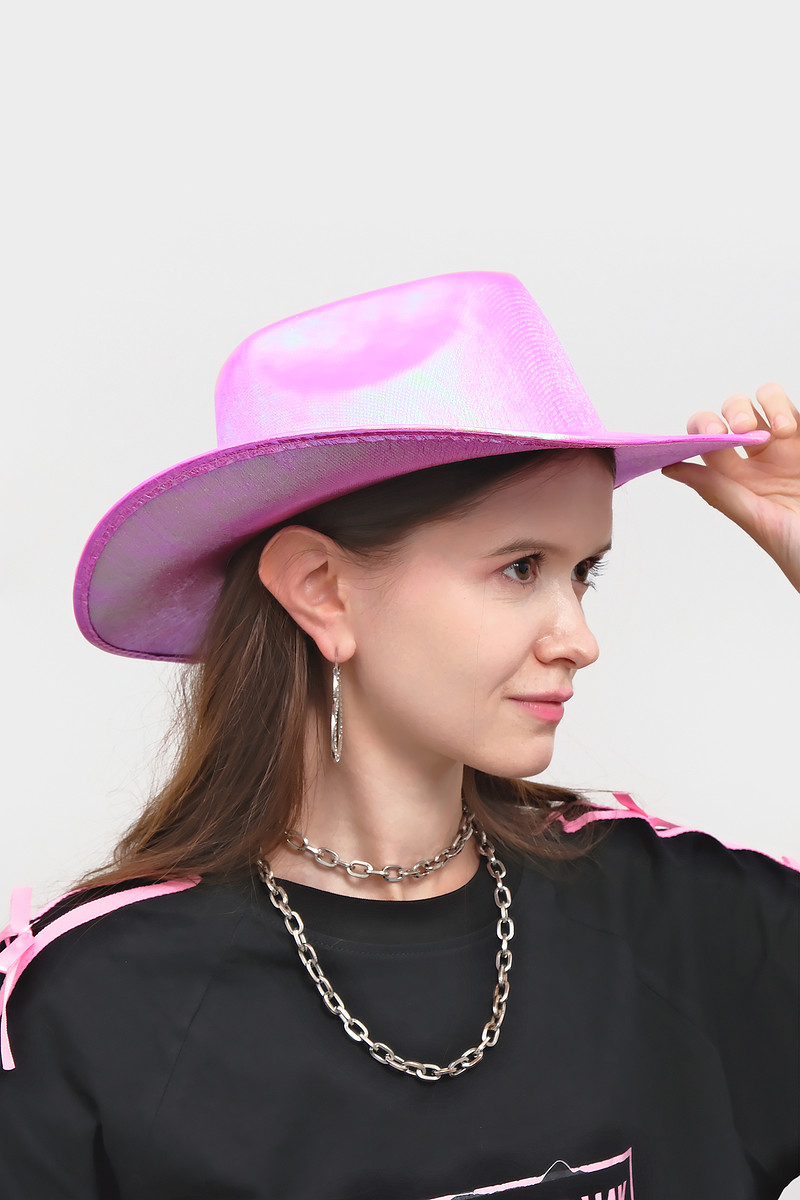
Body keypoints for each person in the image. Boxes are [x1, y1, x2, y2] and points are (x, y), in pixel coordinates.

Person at [0, 271, 797, 1200]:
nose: (578, 639)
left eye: (584, 573)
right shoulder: (91, 1006)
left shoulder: (677, 919)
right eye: (520, 567)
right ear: (323, 592)